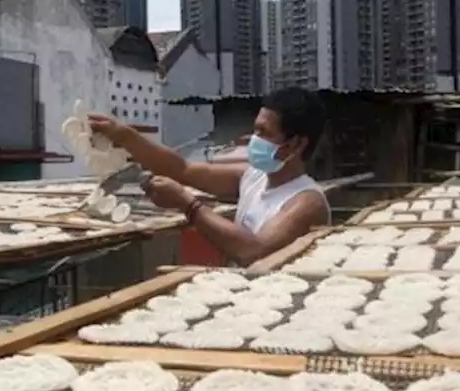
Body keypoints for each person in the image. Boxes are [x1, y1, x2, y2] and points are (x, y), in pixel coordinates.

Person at [87, 86, 330, 266]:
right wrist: (123, 136)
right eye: (255, 128)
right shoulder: (253, 178)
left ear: (296, 144)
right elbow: (181, 169)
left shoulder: (306, 203)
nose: (253, 139)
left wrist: (188, 205)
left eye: (263, 132)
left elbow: (254, 252)